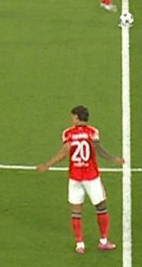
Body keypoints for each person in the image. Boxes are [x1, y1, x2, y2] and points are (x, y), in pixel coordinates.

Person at [35, 105, 124, 254]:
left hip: (75, 177)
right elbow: (98, 149)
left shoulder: (68, 133)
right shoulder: (92, 132)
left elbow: (64, 153)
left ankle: (79, 244)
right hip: (91, 177)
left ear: (77, 118)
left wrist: (47, 165)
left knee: (76, 211)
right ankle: (103, 241)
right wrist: (113, 159)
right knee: (101, 207)